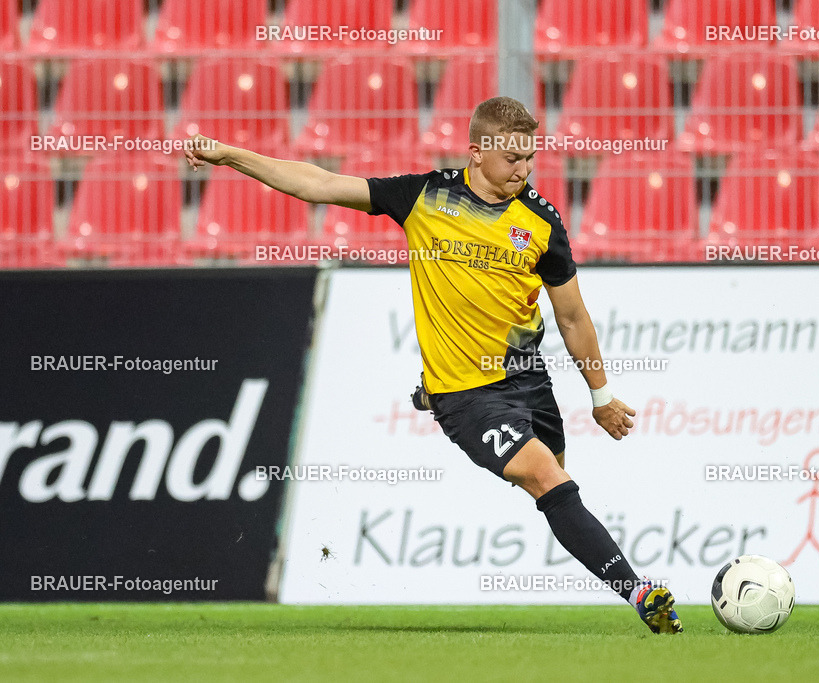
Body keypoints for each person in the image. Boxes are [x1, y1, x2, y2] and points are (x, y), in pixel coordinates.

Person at [185, 96, 682, 634]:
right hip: (470, 398)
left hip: (529, 383)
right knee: (546, 479)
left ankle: (435, 390)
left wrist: (601, 396)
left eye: (530, 157)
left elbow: (572, 315)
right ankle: (641, 592)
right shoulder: (425, 196)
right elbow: (319, 184)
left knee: (557, 481)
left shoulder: (541, 222)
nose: (525, 168)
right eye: (512, 158)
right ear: (476, 153)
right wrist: (231, 156)